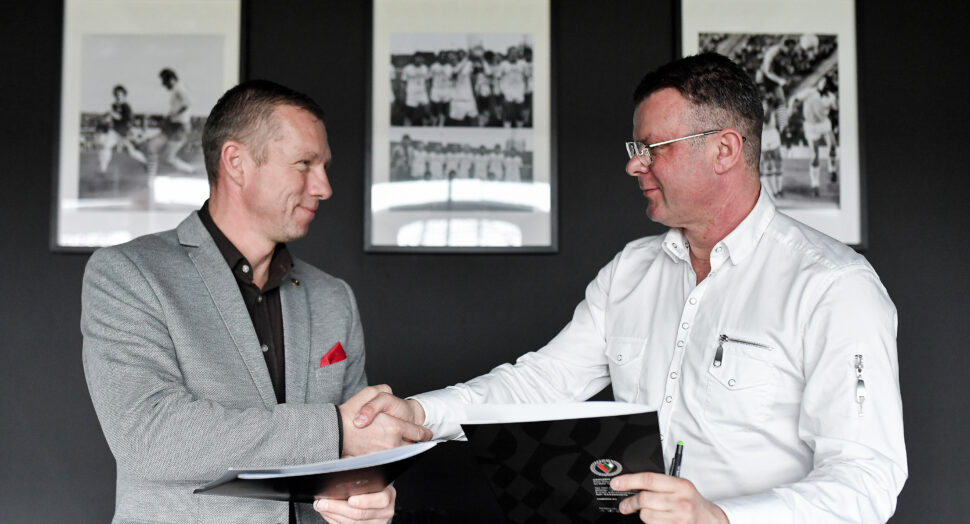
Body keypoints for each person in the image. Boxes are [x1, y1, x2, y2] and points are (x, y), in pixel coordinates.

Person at [354, 53, 907, 523]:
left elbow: (867, 478)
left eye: (653, 147)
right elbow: (544, 382)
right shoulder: (630, 271)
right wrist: (421, 414)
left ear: (725, 150)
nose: (634, 166)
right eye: (633, 147)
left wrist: (720, 518)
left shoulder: (834, 286)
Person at [81, 79, 431, 523]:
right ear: (236, 163)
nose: (324, 187)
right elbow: (150, 437)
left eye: (323, 166)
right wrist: (335, 430)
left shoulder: (333, 297)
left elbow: (356, 453)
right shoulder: (128, 273)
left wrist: (367, 497)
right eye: (304, 163)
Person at [146, 68, 197, 176]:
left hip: (179, 127)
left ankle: (190, 170)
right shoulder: (176, 89)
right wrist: (169, 116)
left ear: (172, 79)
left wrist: (173, 115)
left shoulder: (179, 88)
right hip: (173, 125)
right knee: (153, 147)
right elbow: (179, 107)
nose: (164, 85)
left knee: (167, 157)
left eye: (165, 81)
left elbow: (187, 104)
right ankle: (150, 176)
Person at [96, 84, 148, 174]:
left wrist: (112, 114)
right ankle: (103, 169)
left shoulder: (126, 107)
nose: (118, 96)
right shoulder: (114, 105)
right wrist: (108, 119)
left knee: (131, 152)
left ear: (124, 95)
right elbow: (113, 118)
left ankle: (145, 162)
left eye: (120, 94)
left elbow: (124, 119)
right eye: (116, 94)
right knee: (105, 147)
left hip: (124, 132)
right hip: (114, 131)